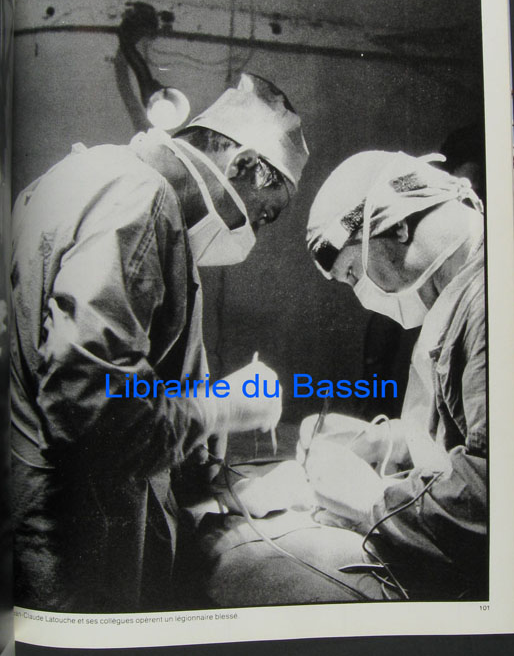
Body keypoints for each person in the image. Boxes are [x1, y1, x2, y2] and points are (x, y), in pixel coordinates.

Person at [10, 73, 309, 612]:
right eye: (263, 213)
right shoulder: (139, 199)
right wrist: (221, 407)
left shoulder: (81, 177)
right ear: (243, 164)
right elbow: (95, 408)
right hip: (76, 538)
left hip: (38, 507)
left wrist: (200, 453)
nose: (254, 233)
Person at [198, 148, 485, 606]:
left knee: (240, 563)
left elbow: (487, 501)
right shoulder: (459, 297)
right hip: (436, 541)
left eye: (353, 272)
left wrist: (372, 502)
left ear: (398, 226)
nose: (362, 294)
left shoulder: (491, 302)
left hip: (476, 586)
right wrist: (388, 441)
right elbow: (467, 436)